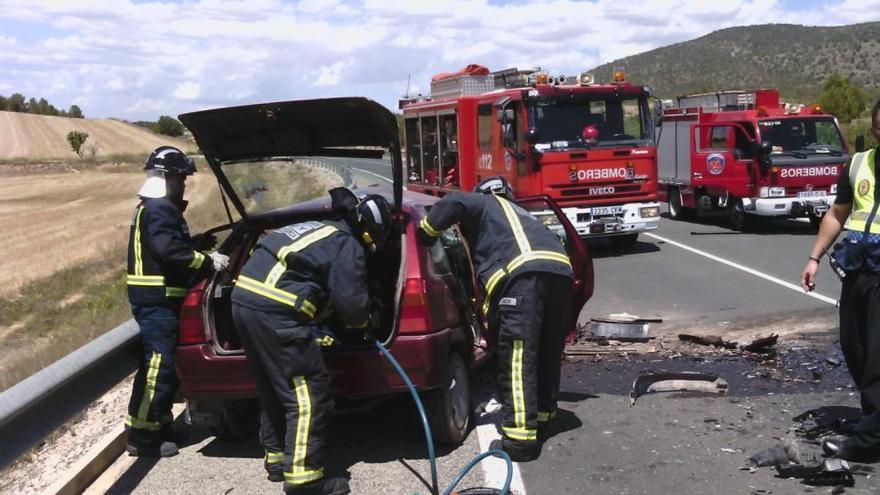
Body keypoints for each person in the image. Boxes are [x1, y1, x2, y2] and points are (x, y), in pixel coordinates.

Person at [231, 188, 393, 495]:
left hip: (243, 304)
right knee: (309, 395)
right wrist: (369, 320)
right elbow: (352, 307)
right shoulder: (347, 244)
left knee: (274, 386)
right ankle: (305, 481)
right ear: (371, 229)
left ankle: (278, 460)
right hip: (276, 313)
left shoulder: (320, 229)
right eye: (381, 235)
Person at [417, 176, 574, 462]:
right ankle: (544, 416)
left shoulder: (486, 203)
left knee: (517, 356)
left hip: (524, 275)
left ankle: (519, 440)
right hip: (561, 274)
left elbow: (453, 202)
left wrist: (426, 232)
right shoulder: (523, 216)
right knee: (547, 351)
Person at [125, 146, 230, 457]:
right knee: (159, 368)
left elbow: (166, 249)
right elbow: (170, 252)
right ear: (166, 177)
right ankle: (142, 437)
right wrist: (207, 261)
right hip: (157, 301)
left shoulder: (155, 208)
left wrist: (194, 245)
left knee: (164, 368)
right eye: (181, 178)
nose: (183, 184)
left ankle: (159, 425)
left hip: (159, 300)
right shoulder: (158, 209)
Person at [801, 100, 880, 462]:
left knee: (879, 358)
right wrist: (814, 257)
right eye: (879, 129)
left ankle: (869, 441)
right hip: (859, 272)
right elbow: (837, 213)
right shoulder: (858, 163)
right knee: (855, 346)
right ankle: (871, 420)